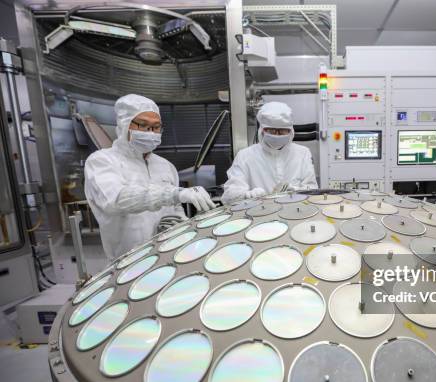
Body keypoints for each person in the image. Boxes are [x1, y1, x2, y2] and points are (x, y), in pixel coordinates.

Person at [84, 94, 215, 259]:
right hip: (126, 260)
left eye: (156, 127)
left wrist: (178, 223)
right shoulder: (102, 161)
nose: (151, 133)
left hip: (165, 256)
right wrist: (173, 193)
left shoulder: (165, 166)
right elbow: (116, 199)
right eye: (143, 125)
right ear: (125, 125)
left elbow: (175, 208)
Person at [221, 101, 318, 204]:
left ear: (290, 131)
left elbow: (313, 190)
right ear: (262, 130)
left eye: (282, 131)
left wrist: (296, 191)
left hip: (296, 213)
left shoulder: (302, 153)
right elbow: (229, 196)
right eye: (272, 130)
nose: (277, 134)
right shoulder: (245, 156)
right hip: (259, 215)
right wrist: (247, 195)